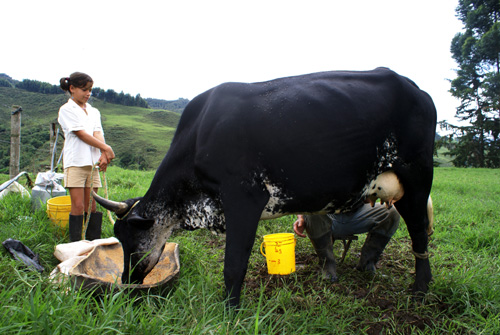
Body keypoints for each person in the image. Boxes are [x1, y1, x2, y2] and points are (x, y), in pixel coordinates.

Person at [58, 72, 115, 242]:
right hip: (75, 162)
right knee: (78, 205)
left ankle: (92, 243)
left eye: (90, 90)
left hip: (92, 164)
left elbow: (97, 132)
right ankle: (76, 245)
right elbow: (81, 134)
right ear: (72, 89)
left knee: (92, 205)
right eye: (84, 90)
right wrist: (106, 148)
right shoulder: (67, 109)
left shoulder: (93, 111)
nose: (88, 94)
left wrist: (104, 154)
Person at [293, 202, 400, 281]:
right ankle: (327, 265)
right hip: (327, 214)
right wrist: (301, 217)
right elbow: (303, 193)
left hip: (358, 212)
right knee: (311, 208)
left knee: (391, 212)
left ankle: (367, 264)